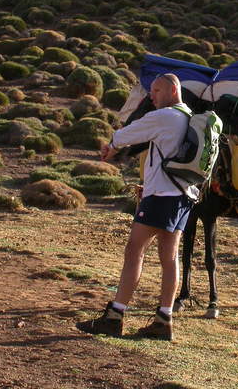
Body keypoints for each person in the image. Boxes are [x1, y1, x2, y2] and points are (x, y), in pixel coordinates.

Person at [76, 73, 197, 341]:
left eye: (156, 90)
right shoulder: (189, 116)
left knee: (134, 251)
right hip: (182, 196)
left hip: (161, 197)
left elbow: (126, 133)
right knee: (169, 257)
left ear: (173, 90)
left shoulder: (165, 116)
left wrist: (111, 145)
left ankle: (114, 316)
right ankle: (163, 320)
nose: (151, 96)